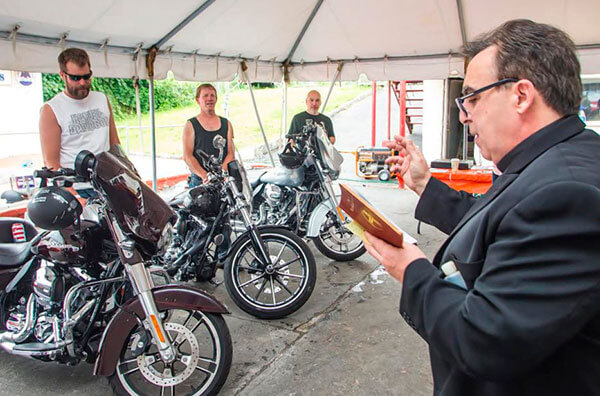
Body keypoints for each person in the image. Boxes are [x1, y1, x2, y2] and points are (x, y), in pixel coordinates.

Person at [365, 19, 600, 395]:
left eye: (472, 97)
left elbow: (485, 339)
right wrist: (426, 185)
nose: (463, 114)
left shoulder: (567, 193)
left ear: (521, 95)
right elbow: (504, 223)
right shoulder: (557, 161)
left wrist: (412, 270)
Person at [39, 48, 120, 197]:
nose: (82, 83)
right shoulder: (51, 110)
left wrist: (128, 172)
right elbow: (51, 162)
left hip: (109, 183)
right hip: (78, 188)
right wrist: (71, 194)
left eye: (87, 76)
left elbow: (114, 143)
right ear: (62, 75)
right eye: (76, 78)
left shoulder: (102, 99)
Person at [182, 83, 235, 187]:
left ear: (216, 99)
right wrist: (205, 176)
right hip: (200, 180)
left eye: (212, 95)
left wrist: (221, 173)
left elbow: (231, 153)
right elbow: (187, 156)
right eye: (205, 96)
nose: (209, 99)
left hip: (224, 179)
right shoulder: (190, 125)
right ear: (198, 100)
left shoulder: (226, 123)